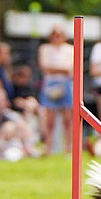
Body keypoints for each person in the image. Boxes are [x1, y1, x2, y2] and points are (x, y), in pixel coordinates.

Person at [37, 24, 74, 155]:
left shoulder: (70, 49)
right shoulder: (45, 48)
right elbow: (45, 66)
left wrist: (56, 68)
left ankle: (68, 148)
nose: (56, 37)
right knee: (50, 120)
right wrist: (63, 69)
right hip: (50, 85)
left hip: (66, 85)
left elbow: (72, 69)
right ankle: (48, 147)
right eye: (54, 34)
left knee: (68, 120)